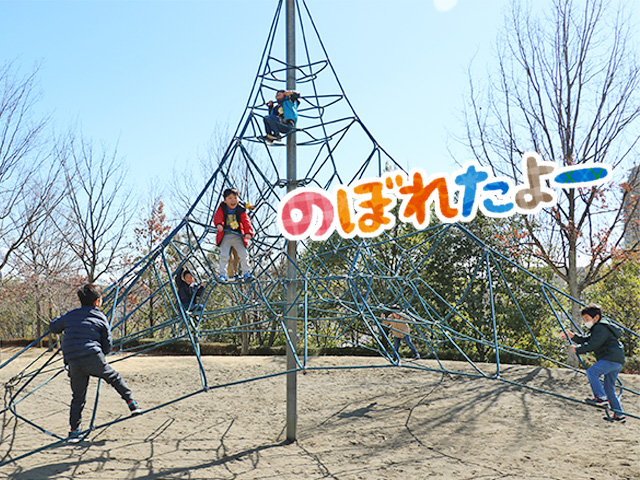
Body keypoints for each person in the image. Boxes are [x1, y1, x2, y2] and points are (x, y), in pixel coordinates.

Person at [49, 284, 142, 441]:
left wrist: (62, 321)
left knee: (78, 397)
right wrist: (103, 352)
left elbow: (54, 327)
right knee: (114, 377)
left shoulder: (71, 315)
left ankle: (74, 431)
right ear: (97, 302)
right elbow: (107, 344)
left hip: (73, 361)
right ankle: (132, 403)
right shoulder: (100, 317)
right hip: (92, 356)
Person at [560, 303, 626, 422]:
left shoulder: (600, 327)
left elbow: (594, 344)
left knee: (592, 372)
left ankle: (601, 398)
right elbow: (589, 339)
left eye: (587, 319)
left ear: (596, 317)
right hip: (617, 360)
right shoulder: (600, 327)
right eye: (584, 319)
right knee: (608, 387)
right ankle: (619, 414)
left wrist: (578, 349)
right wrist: (573, 336)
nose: (586, 322)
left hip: (610, 358)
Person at [213, 187, 254, 282]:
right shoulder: (222, 208)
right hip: (226, 235)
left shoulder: (240, 209)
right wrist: (219, 224)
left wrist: (248, 232)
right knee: (224, 255)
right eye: (230, 198)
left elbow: (246, 221)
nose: (233, 201)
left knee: (243, 254)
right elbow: (218, 216)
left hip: (238, 235)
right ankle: (222, 274)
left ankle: (246, 273)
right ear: (225, 200)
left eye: (235, 198)